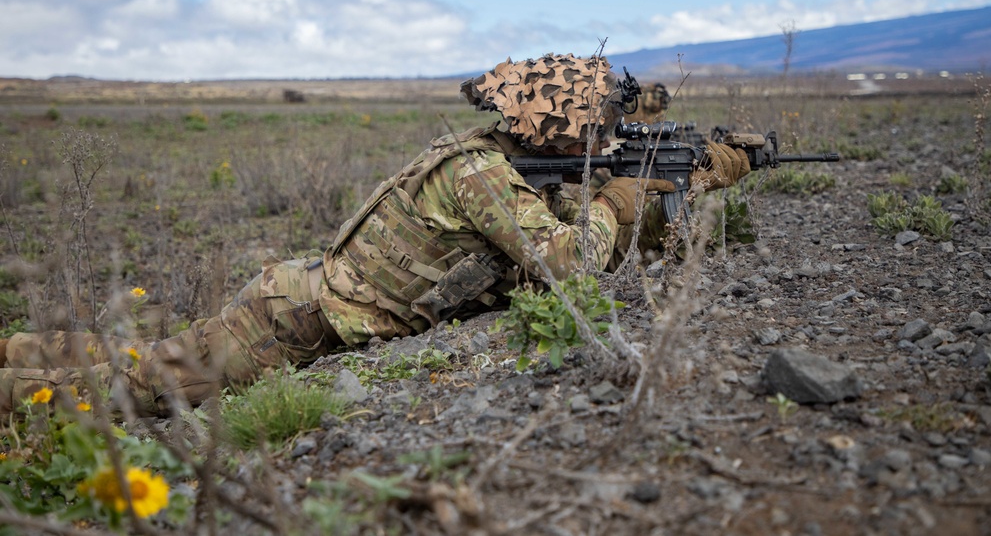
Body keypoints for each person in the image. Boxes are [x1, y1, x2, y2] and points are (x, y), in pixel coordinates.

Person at [0, 54, 750, 417]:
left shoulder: (506, 163)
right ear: (553, 129)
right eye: (596, 127)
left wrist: (684, 181)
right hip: (291, 321)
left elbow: (574, 236)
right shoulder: (483, 175)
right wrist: (617, 200)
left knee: (142, 356)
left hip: (300, 300)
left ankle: (17, 349)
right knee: (130, 392)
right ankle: (14, 387)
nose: (605, 136)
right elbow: (567, 263)